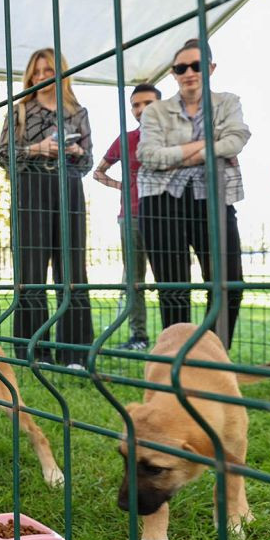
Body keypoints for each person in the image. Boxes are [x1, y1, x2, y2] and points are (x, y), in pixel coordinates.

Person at [137, 38, 250, 346]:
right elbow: (148, 155)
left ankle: (214, 353)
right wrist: (209, 146)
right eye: (180, 67)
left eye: (196, 66)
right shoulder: (155, 111)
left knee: (228, 283)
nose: (189, 72)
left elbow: (237, 139)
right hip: (161, 201)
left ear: (210, 68)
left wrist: (178, 154)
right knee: (173, 287)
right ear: (173, 73)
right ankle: (178, 356)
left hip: (213, 197)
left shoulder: (228, 102)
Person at [0, 50, 94, 366]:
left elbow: (88, 162)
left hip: (68, 189)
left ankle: (75, 353)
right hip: (30, 190)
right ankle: (34, 352)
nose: (41, 77)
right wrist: (38, 148)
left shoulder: (77, 112)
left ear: (61, 72)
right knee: (31, 271)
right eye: (36, 72)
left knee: (73, 271)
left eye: (48, 70)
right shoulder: (21, 110)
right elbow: (2, 155)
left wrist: (76, 150)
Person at [93, 82, 161, 351]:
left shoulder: (173, 136)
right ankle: (139, 337)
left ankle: (175, 333)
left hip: (166, 214)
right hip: (130, 215)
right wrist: (122, 186)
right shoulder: (126, 139)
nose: (141, 109)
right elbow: (98, 172)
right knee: (134, 279)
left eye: (148, 103)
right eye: (136, 105)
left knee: (168, 276)